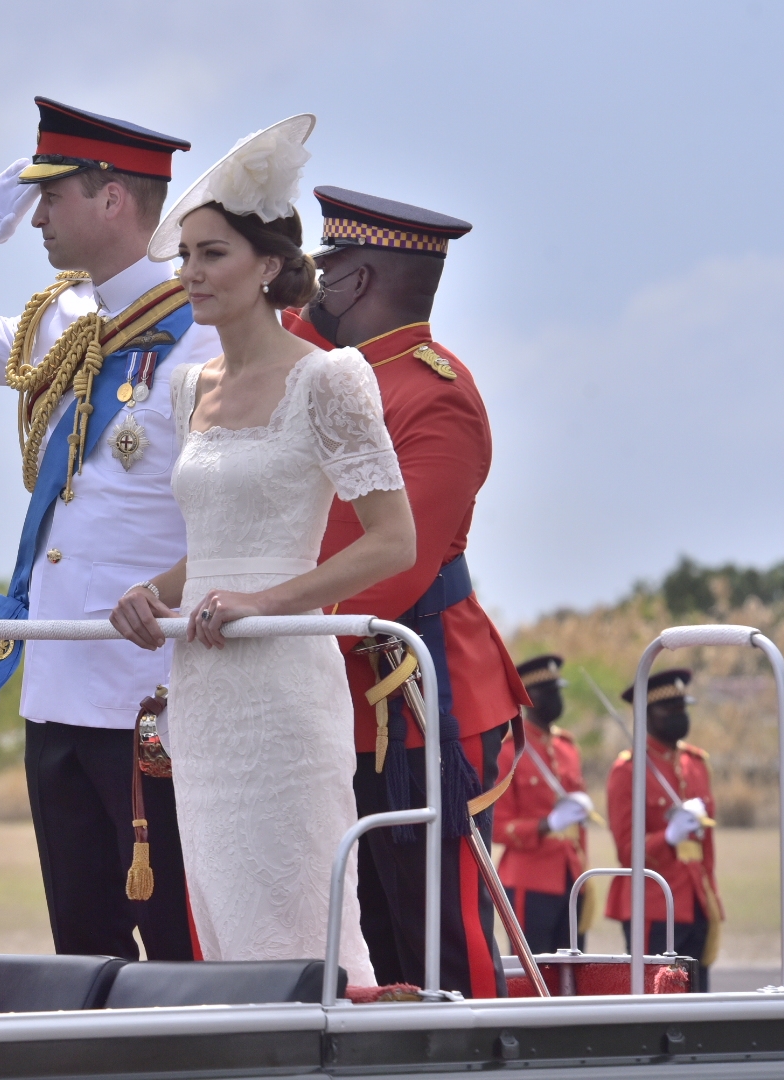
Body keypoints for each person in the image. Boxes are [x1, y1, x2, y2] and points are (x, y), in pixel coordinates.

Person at [0, 97, 220, 961]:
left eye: (54, 196)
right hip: (56, 681)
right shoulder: (59, 321)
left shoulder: (205, 337)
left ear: (112, 199)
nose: (37, 215)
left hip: (151, 688)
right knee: (82, 947)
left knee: (178, 944)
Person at [111, 116, 413, 975]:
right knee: (220, 906)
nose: (192, 274)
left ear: (269, 266)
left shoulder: (331, 378)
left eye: (213, 255)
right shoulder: (183, 388)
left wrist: (263, 603)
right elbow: (215, 546)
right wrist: (157, 590)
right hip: (202, 687)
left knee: (301, 909)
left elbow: (393, 542)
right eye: (187, 257)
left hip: (282, 680)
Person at [283, 186, 530, 998]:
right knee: (363, 951)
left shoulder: (435, 394)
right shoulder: (327, 375)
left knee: (438, 948)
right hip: (332, 694)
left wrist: (263, 626)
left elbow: (396, 569)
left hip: (418, 702)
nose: (310, 289)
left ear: (352, 283)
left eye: (325, 272)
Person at [606, 669, 723, 992]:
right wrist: (668, 837)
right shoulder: (628, 771)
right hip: (654, 903)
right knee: (657, 996)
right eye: (669, 710)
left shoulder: (696, 764)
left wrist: (710, 892)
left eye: (682, 708)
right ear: (646, 715)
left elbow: (706, 845)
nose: (679, 716)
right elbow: (628, 850)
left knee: (697, 996)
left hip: (696, 898)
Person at [495, 655, 595, 954]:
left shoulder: (568, 747)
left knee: (573, 968)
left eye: (557, 690)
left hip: (571, 872)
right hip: (530, 876)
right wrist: (546, 825)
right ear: (528, 697)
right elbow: (498, 826)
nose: (555, 698)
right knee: (534, 969)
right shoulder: (509, 752)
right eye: (546, 691)